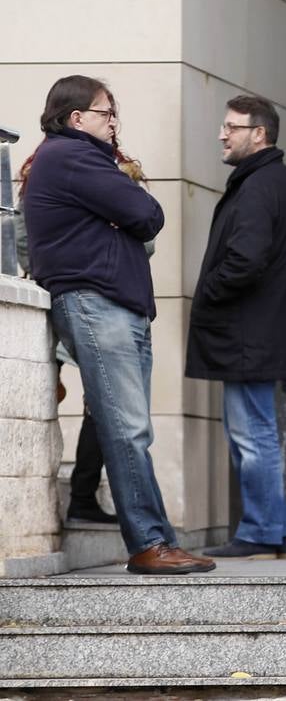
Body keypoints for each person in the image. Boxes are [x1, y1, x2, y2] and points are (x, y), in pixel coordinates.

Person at [22, 75, 215, 574]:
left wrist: (121, 214)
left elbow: (137, 217)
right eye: (106, 113)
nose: (114, 123)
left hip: (112, 305)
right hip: (96, 304)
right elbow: (147, 214)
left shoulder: (80, 160)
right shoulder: (72, 156)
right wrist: (122, 212)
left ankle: (157, 541)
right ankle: (150, 544)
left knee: (130, 428)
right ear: (76, 118)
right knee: (128, 429)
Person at [187, 95, 286, 560]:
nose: (223, 133)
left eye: (232, 126)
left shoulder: (260, 186)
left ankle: (260, 531)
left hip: (248, 334)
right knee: (253, 432)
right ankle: (273, 531)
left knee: (252, 434)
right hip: (256, 333)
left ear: (259, 134)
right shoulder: (272, 182)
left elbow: (245, 260)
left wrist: (209, 293)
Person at [17, 137, 152, 525]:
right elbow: (28, 237)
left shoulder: (108, 173)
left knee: (103, 408)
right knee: (105, 409)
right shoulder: (60, 171)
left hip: (84, 295)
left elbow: (147, 232)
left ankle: (83, 495)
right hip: (84, 300)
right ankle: (88, 500)